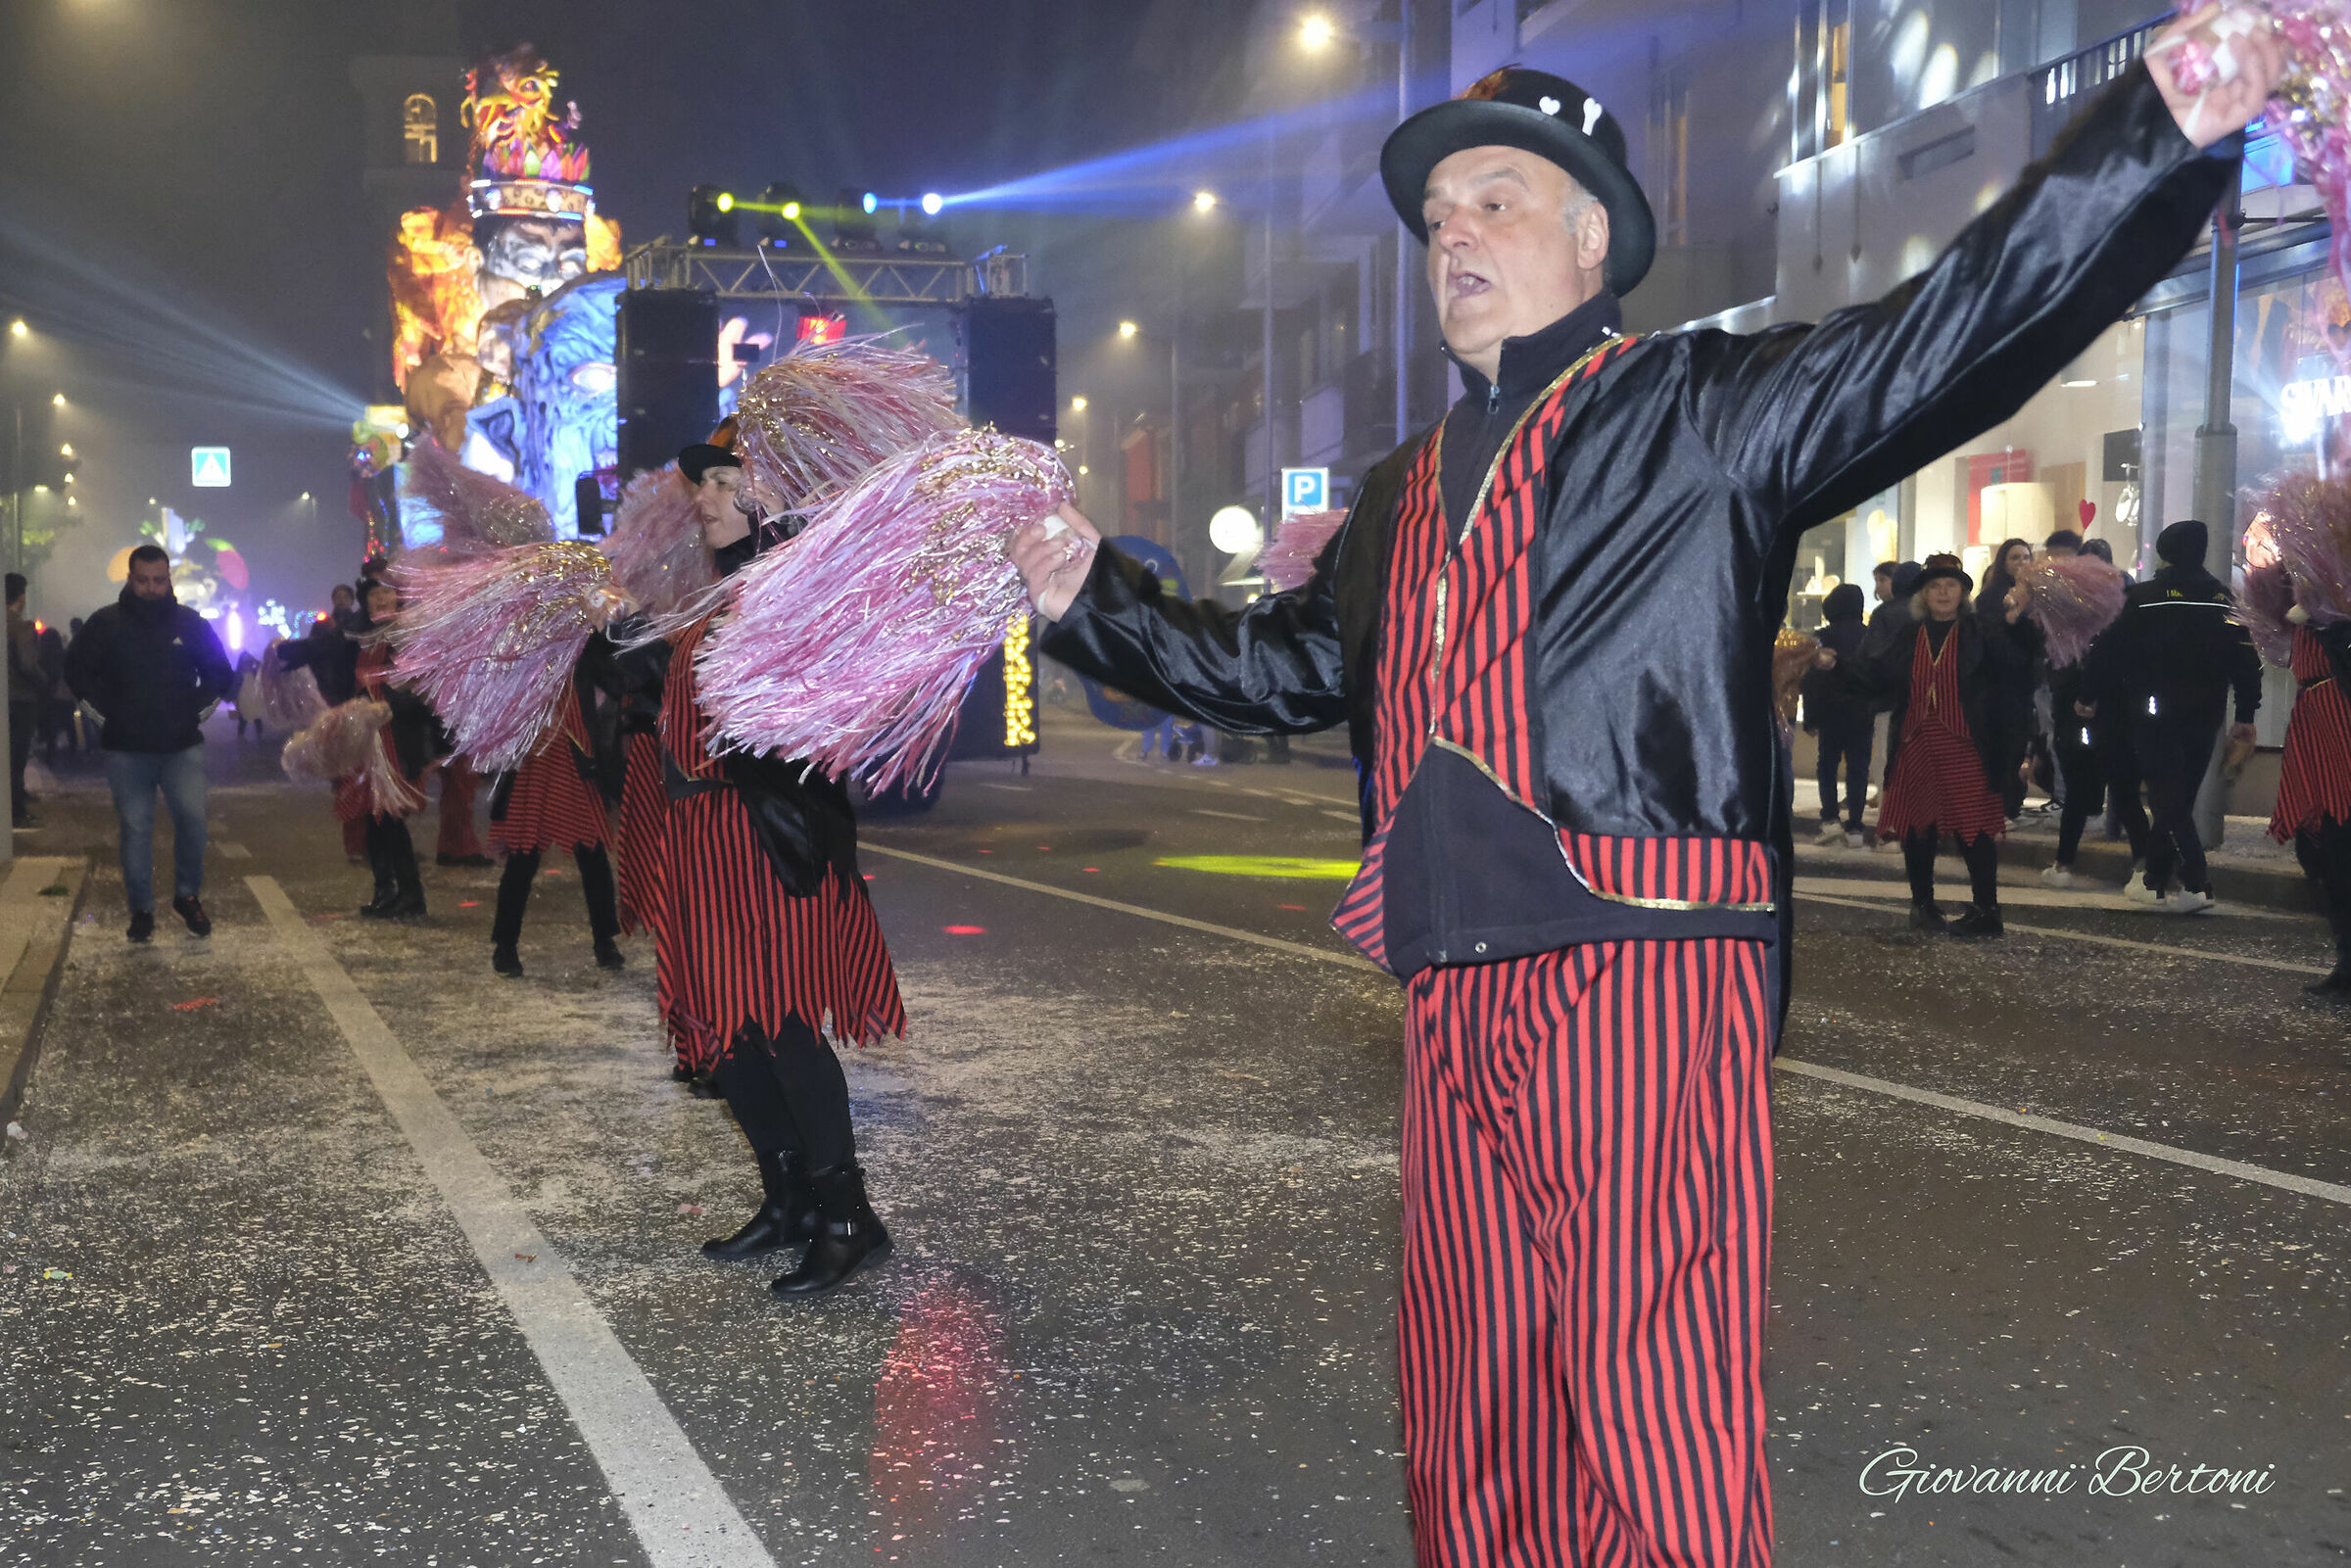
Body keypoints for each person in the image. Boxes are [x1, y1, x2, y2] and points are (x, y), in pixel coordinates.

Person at [1010, 24, 2266, 1562]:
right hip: (1448, 986)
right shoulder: (1401, 488)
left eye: (1493, 199)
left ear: (1592, 234)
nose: (1449, 233)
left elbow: (1958, 322)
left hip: (1643, 965)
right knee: (1473, 1419)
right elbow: (1272, 671)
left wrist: (2170, 114)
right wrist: (1085, 592)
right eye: (1435, 216)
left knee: (1647, 1417)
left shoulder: (1696, 411)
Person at [598, 442, 905, 1299]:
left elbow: (758, 703)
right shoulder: (719, 586)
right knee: (724, 1032)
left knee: (781, 1026)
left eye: (726, 484)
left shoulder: (788, 581)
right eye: (704, 481)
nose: (704, 495)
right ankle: (792, 1200)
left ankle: (849, 1220)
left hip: (760, 837)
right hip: (699, 834)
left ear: (767, 499)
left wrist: (642, 645)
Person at [1845, 555, 2037, 935]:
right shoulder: (1909, 634)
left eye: (1951, 585)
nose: (1943, 592)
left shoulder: (1982, 630)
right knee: (1918, 829)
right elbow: (1876, 673)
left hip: (1965, 743)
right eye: (1935, 586)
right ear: (1923, 594)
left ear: (1963, 593)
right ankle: (1922, 905)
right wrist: (1834, 667)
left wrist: (2018, 625)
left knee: (1974, 829)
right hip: (1916, 743)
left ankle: (1987, 911)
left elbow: (2018, 665)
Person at [2080, 518, 2262, 913]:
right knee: (2181, 792)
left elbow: (2108, 651)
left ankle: (2196, 883)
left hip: (2152, 709)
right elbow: (2247, 662)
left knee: (2167, 794)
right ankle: (2154, 879)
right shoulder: (2224, 599)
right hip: (2207, 709)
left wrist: (2087, 694)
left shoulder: (2144, 597)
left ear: (2164, 551)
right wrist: (2245, 713)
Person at [65, 545, 234, 941]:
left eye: (159, 580)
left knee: (193, 822)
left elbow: (218, 673)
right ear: (130, 578)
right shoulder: (105, 624)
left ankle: (187, 895)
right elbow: (77, 672)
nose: (152, 588)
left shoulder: (190, 624)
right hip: (126, 748)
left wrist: (193, 714)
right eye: (143, 580)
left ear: (169, 578)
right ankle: (141, 908)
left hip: (181, 745)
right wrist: (107, 717)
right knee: (136, 829)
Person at [486, 663, 623, 977]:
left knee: (592, 854)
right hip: (534, 763)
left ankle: (605, 941)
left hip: (576, 758)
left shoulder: (585, 645)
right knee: (523, 857)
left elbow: (610, 676)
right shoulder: (524, 645)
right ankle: (505, 945)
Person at [1801, 582, 1872, 846]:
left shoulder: (1821, 638)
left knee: (1827, 766)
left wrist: (1810, 718)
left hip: (1830, 713)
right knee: (1858, 768)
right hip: (1861, 712)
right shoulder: (1869, 635)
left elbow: (1811, 681)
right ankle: (1855, 825)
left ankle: (1830, 819)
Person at [6, 574, 40, 828]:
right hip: (20, 699)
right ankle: (16, 812)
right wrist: (44, 679)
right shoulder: (20, 626)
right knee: (17, 758)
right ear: (21, 596)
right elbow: (28, 665)